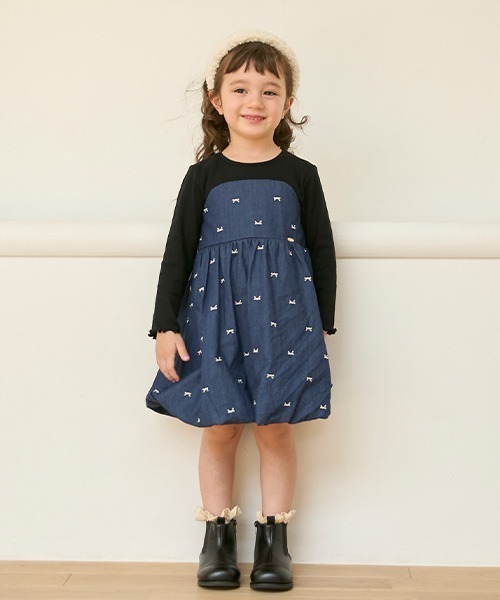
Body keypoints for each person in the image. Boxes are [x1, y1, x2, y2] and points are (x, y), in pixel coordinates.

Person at [146, 29, 337, 592]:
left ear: (288, 103)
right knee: (221, 427)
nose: (255, 101)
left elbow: (321, 250)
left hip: (285, 322)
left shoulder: (301, 174)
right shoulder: (203, 176)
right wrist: (164, 326)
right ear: (217, 99)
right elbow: (178, 252)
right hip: (213, 321)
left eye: (269, 91)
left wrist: (321, 324)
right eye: (241, 88)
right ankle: (217, 541)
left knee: (275, 428)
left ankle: (275, 543)